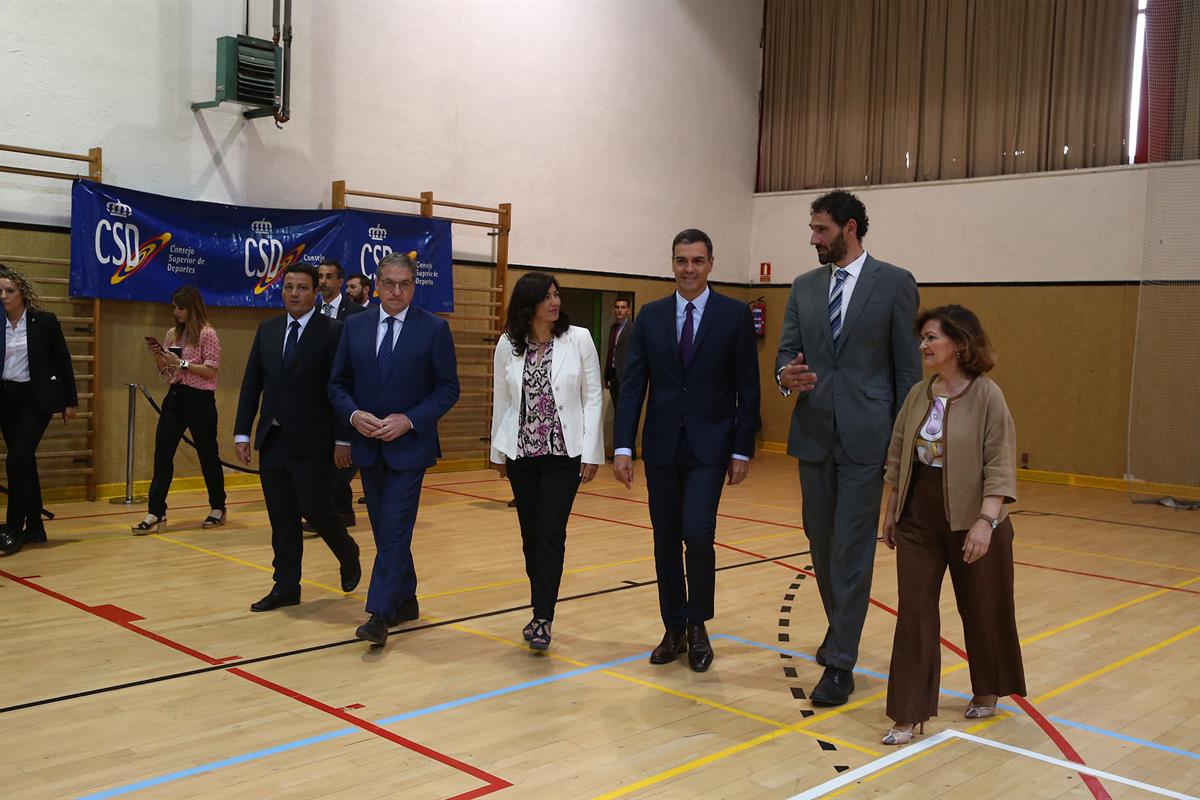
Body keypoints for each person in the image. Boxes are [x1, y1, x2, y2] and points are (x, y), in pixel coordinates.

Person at [774, 189, 921, 706]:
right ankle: (843, 632)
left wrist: (904, 448)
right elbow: (785, 357)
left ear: (850, 228)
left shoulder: (896, 283)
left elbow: (909, 372)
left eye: (822, 230)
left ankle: (840, 662)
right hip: (813, 434)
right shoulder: (804, 286)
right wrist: (784, 378)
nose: (814, 238)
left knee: (853, 551)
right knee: (820, 540)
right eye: (812, 229)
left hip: (867, 437)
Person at [614, 229, 760, 672]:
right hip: (660, 446)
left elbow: (748, 389)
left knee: (697, 534)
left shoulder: (734, 315)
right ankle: (673, 627)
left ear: (711, 263)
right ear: (672, 263)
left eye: (698, 260)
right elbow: (633, 385)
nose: (689, 269)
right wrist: (623, 445)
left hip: (710, 447)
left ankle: (699, 625)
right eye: (682, 261)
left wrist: (742, 449)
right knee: (664, 540)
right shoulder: (651, 317)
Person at [880, 305, 1025, 745]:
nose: (923, 346)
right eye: (922, 338)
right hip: (917, 515)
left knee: (982, 606)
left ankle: (988, 687)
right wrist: (891, 511)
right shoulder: (918, 394)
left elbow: (1000, 463)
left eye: (931, 338)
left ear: (959, 344)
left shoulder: (987, 395)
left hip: (973, 517)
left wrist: (986, 521)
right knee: (914, 612)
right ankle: (907, 713)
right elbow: (898, 452)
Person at [329, 252, 460, 647]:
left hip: (411, 448)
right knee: (388, 530)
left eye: (405, 284)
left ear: (414, 286)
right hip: (368, 447)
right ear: (377, 284)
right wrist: (353, 417)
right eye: (390, 283)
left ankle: (379, 613)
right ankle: (406, 600)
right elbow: (337, 384)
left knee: (396, 527)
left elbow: (447, 389)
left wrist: (410, 419)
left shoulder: (434, 329)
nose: (397, 291)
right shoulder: (354, 326)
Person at [234, 263, 362, 612]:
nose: (294, 293)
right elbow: (252, 384)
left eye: (302, 287)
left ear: (315, 292)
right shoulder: (268, 330)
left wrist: (343, 438)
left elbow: (341, 388)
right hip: (273, 440)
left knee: (317, 508)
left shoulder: (333, 331)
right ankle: (286, 586)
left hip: (315, 440)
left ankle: (347, 551)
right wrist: (243, 432)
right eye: (288, 287)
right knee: (281, 517)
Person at [490, 272, 604, 651]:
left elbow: (593, 398)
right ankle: (539, 603)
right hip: (521, 454)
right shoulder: (509, 344)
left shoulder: (579, 339)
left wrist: (591, 453)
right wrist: (498, 453)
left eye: (557, 295)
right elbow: (502, 401)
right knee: (530, 536)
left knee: (550, 533)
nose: (555, 302)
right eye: (547, 297)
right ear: (529, 304)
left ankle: (543, 616)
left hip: (563, 455)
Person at [132, 286, 226, 534]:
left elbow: (211, 369)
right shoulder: (172, 334)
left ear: (192, 308)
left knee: (208, 454)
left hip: (200, 400)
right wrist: (159, 357)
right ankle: (156, 511)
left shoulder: (208, 334)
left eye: (181, 308)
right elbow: (168, 374)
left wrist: (183, 363)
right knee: (162, 453)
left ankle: (218, 506)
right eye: (174, 308)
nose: (176, 312)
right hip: (175, 397)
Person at [0, 265, 77, 556]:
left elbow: (63, 361)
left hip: (36, 399)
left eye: (10, 291)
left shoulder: (44, 321)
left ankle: (13, 529)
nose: (4, 296)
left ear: (23, 293)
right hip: (6, 398)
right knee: (24, 462)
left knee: (17, 459)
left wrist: (70, 401)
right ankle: (35, 528)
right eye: (0, 292)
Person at [311, 258, 364, 529]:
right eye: (319, 276)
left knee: (339, 459)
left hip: (344, 393)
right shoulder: (312, 311)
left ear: (340, 281)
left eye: (329, 276)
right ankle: (342, 512)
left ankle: (330, 513)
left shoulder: (354, 313)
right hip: (317, 394)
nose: (323, 281)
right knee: (323, 458)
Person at [604, 297, 632, 412]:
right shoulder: (613, 328)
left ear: (628, 310)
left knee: (624, 412)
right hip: (613, 376)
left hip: (626, 378)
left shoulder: (633, 329)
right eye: (617, 307)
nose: (619, 310)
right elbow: (611, 352)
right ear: (614, 310)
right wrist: (606, 376)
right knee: (617, 410)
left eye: (623, 307)